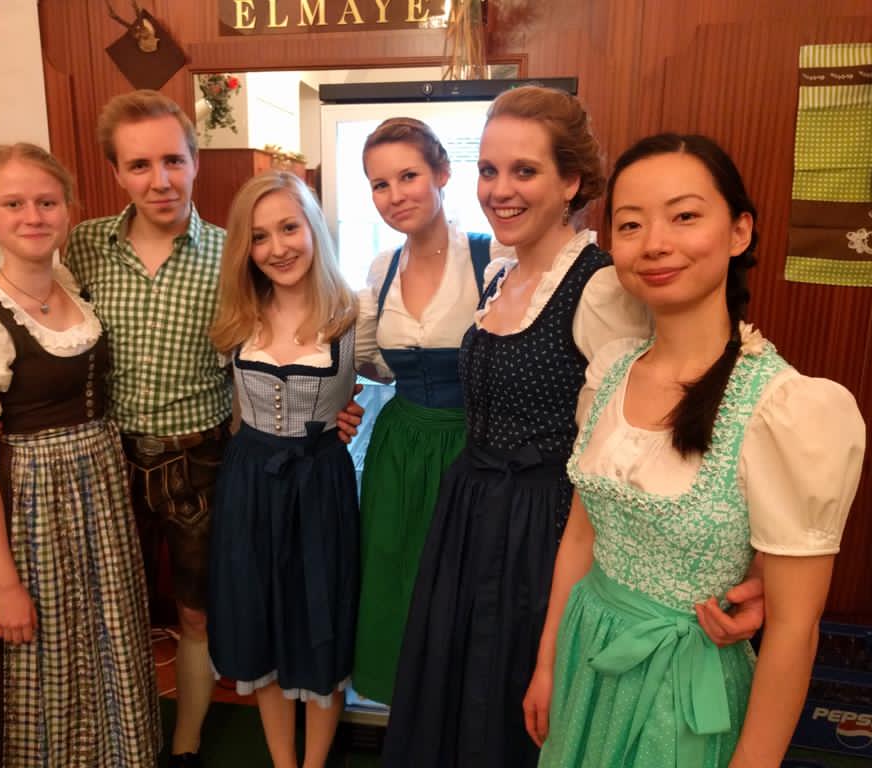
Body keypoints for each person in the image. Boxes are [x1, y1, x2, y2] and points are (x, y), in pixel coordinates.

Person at [529, 134, 866, 767]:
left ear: (739, 232)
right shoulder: (609, 372)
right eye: (631, 224)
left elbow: (794, 629)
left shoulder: (786, 407)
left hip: (681, 694)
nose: (655, 243)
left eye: (684, 216)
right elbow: (580, 534)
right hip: (586, 654)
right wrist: (548, 662)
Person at [381, 84, 653, 768]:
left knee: (515, 709)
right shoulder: (503, 275)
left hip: (544, 532)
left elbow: (621, 456)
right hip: (472, 516)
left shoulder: (599, 287)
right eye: (489, 170)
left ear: (571, 182)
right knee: (458, 696)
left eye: (524, 171)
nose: (500, 190)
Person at [0, 143, 160, 768]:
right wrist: (3, 585)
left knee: (106, 634)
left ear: (68, 209)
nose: (33, 216)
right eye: (14, 204)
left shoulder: (72, 291)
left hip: (99, 493)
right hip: (33, 505)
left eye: (47, 202)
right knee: (46, 645)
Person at [65, 90, 230, 767]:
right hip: (107, 457)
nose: (159, 180)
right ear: (116, 173)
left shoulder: (231, 253)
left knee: (195, 611)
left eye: (172, 160)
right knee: (110, 609)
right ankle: (124, 735)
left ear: (195, 162)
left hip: (202, 459)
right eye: (139, 165)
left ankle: (185, 744)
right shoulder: (84, 245)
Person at [351, 117, 509, 705]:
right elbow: (374, 366)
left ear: (442, 173)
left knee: (462, 584)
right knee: (396, 575)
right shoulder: (381, 270)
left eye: (409, 176)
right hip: (398, 445)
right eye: (380, 184)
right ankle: (405, 713)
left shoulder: (491, 258)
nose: (395, 195)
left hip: (471, 446)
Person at [207, 171, 360, 768]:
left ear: (313, 227)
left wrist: (355, 415)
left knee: (322, 619)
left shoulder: (353, 317)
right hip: (249, 484)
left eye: (289, 228)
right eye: (260, 236)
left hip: (321, 484)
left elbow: (402, 383)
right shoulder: (236, 318)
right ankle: (282, 762)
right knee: (259, 619)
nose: (278, 248)